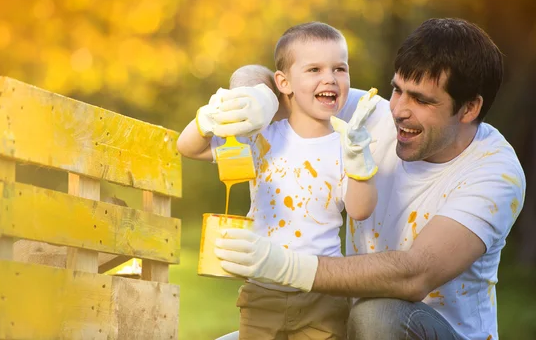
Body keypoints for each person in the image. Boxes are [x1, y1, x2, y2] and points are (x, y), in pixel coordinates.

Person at [212, 18, 526, 340]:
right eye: (397, 90)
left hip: (430, 330)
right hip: (350, 328)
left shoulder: (494, 171)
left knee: (378, 313)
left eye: (421, 100)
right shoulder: (368, 116)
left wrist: (284, 265)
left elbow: (415, 275)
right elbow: (273, 77)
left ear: (470, 108)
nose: (399, 110)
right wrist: (255, 98)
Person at [177, 22, 382, 339]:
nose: (329, 78)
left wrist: (360, 162)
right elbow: (189, 147)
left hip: (322, 292)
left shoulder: (346, 144)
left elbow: (360, 210)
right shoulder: (262, 136)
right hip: (262, 289)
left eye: (340, 69)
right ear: (283, 83)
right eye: (314, 69)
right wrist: (208, 118)